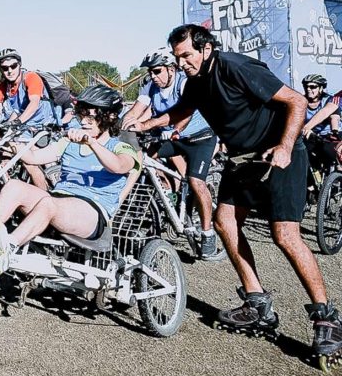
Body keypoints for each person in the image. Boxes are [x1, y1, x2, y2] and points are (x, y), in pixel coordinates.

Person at [134, 24, 341, 358]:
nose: (181, 63)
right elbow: (180, 113)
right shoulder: (196, 81)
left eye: (186, 55)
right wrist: (142, 125)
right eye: (177, 57)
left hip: (278, 153)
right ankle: (257, 303)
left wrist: (286, 147)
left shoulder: (235, 67)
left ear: (205, 48)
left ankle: (327, 319)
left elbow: (297, 100)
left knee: (285, 235)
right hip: (243, 160)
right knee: (224, 222)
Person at [0, 85, 140, 277]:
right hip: (60, 202)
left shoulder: (120, 147)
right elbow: (33, 157)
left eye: (91, 116)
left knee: (49, 203)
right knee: (14, 186)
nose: (84, 122)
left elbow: (119, 167)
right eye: (81, 115)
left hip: (92, 212)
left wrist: (92, 143)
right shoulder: (69, 143)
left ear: (109, 117)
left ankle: (7, 249)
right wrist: (12, 144)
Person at [121, 47, 220, 260]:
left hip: (199, 139)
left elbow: (186, 112)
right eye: (150, 72)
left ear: (171, 69)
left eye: (157, 71)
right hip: (170, 137)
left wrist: (176, 130)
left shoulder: (184, 82)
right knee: (141, 159)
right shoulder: (150, 87)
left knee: (195, 181)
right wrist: (122, 127)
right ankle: (166, 193)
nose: (153, 76)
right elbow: (136, 110)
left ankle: (208, 233)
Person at [0, 48, 57, 188]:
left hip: (41, 126)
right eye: (5, 68)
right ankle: (10, 186)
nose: (9, 71)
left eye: (13, 66)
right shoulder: (5, 86)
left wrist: (18, 121)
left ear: (20, 65)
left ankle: (45, 198)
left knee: (29, 162)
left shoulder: (31, 77)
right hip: (24, 125)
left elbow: (34, 103)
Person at [299, 74, 341, 189]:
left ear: (321, 88)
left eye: (312, 87)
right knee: (301, 151)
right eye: (306, 86)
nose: (309, 89)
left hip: (331, 134)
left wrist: (335, 132)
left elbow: (333, 117)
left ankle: (336, 175)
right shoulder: (301, 101)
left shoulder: (329, 100)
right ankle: (313, 181)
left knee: (330, 150)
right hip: (312, 134)